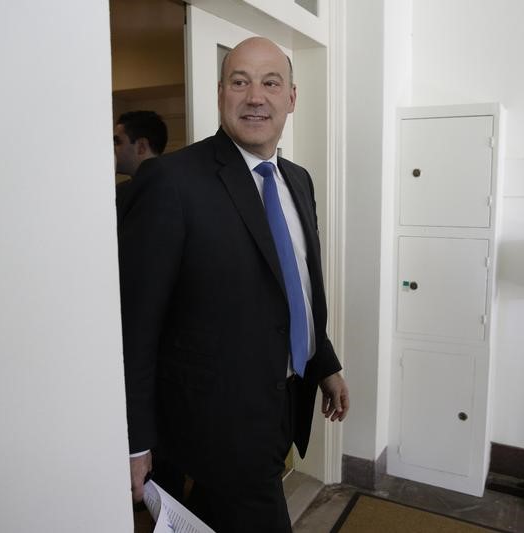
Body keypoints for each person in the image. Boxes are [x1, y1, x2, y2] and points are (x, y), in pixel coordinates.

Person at [118, 37, 349, 533]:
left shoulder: (298, 180)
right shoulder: (170, 182)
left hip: (284, 404)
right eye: (240, 82)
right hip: (211, 426)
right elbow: (135, 325)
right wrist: (135, 442)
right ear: (221, 92)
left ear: (292, 97)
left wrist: (324, 363)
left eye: (271, 83)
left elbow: (294, 287)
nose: (255, 96)